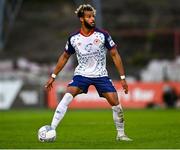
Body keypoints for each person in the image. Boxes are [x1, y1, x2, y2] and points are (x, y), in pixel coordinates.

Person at [45, 4, 132, 141]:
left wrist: (122, 78)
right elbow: (64, 56)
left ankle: (121, 135)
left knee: (116, 102)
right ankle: (52, 129)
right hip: (82, 74)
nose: (92, 19)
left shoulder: (103, 35)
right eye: (89, 17)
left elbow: (115, 54)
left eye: (93, 16)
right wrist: (53, 76)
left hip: (100, 75)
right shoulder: (73, 38)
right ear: (81, 19)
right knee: (67, 96)